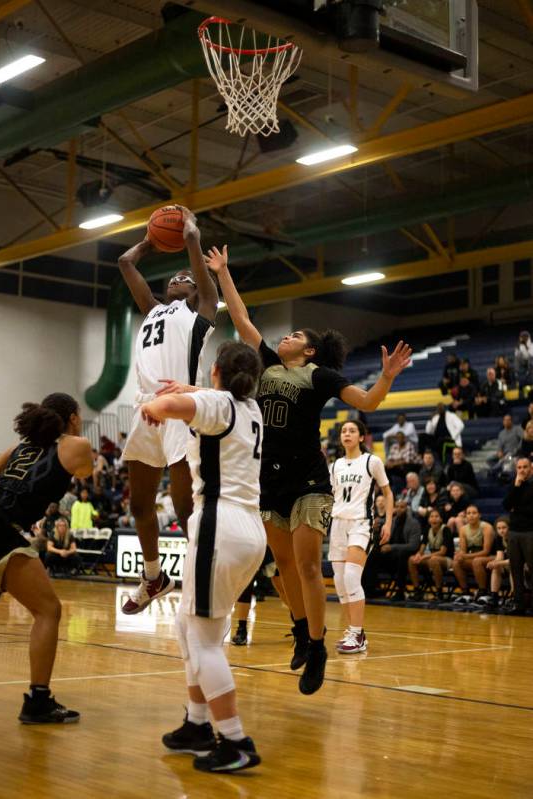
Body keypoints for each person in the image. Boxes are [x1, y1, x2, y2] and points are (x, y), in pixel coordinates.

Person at [204, 243, 411, 694]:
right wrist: (222, 272)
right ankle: (301, 630)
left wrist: (389, 375)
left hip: (309, 480)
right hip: (269, 480)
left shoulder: (318, 377)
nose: (286, 337)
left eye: (296, 334)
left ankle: (316, 647)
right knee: (281, 568)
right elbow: (241, 320)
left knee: (307, 566)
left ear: (310, 350)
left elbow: (368, 402)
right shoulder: (270, 364)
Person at [140, 341, 266, 773]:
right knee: (185, 624)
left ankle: (235, 741)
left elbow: (182, 404)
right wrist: (190, 389)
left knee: (205, 641)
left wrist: (161, 404)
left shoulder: (215, 404)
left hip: (220, 525)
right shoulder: (251, 410)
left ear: (216, 372)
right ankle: (196, 725)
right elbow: (213, 396)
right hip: (248, 529)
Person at [0, 393, 93, 723]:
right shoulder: (76, 444)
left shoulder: (22, 446)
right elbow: (87, 472)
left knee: (24, 553)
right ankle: (38, 701)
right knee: (49, 610)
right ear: (73, 418)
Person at [119, 206, 218, 614]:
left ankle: (202, 577)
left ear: (196, 293)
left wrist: (191, 235)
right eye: (176, 277)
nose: (181, 278)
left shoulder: (199, 317)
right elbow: (125, 262)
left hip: (180, 408)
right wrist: (150, 238)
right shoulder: (154, 310)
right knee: (139, 505)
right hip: (145, 410)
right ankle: (154, 575)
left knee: (183, 508)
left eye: (189, 279)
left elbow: (207, 284)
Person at [329, 420, 393, 654]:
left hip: (360, 524)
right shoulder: (334, 466)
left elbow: (387, 492)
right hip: (337, 524)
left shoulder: (371, 461)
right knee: (339, 582)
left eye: (352, 431)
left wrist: (388, 522)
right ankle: (355, 632)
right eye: (344, 431)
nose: (347, 434)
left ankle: (357, 633)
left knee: (351, 577)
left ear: (361, 437)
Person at [365, 499, 421, 602]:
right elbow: (382, 526)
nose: (399, 509)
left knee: (402, 556)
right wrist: (376, 528)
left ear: (407, 509)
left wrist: (392, 547)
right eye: (397, 507)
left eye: (402, 507)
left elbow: (413, 546)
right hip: (391, 556)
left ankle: (400, 592)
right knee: (372, 553)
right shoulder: (393, 521)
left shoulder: (414, 524)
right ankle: (370, 588)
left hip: (405, 556)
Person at [502, 457, 533, 615]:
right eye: (519, 467)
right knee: (515, 569)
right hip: (513, 532)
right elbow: (506, 505)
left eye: (525, 467)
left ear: (531, 468)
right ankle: (518, 604)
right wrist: (516, 486)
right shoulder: (514, 485)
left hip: (530, 532)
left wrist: (517, 508)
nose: (522, 470)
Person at [451, 506, 495, 603]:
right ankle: (465, 592)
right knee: (456, 563)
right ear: (466, 516)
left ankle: (483, 592)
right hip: (473, 557)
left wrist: (465, 556)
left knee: (477, 561)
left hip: (491, 557)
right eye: (468, 513)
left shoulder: (487, 527)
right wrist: (459, 555)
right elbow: (463, 550)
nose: (471, 515)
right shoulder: (463, 529)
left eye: (474, 513)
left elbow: (486, 551)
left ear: (479, 515)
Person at [408, 509, 454, 601]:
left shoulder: (446, 529)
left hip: (447, 559)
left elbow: (442, 552)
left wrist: (425, 556)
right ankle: (417, 590)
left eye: (436, 516)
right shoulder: (427, 529)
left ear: (441, 519)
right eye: (431, 516)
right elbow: (422, 546)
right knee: (411, 559)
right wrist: (418, 555)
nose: (434, 519)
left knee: (434, 560)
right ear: (429, 519)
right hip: (432, 558)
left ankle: (439, 592)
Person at [477, 516, 511, 610]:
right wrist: (494, 562)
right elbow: (499, 556)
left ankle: (513, 597)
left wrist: (498, 563)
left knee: (513, 567)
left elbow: (515, 560)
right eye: (499, 528)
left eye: (504, 528)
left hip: (519, 565)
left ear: (510, 528)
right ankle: (494, 596)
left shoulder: (514, 538)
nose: (501, 531)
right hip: (506, 564)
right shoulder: (499, 539)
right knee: (496, 567)